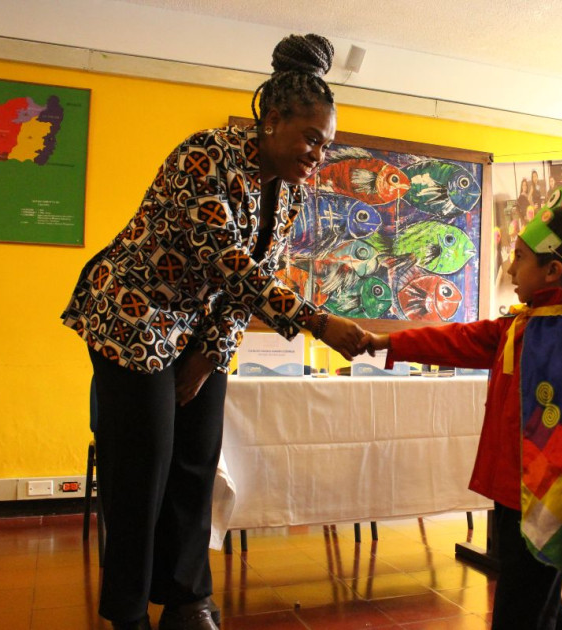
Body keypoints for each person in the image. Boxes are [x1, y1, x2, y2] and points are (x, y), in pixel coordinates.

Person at [61, 33, 367, 630]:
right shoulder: (205, 156)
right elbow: (225, 258)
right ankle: (125, 612)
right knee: (141, 466)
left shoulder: (292, 191)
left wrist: (211, 356)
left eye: (326, 145)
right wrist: (315, 321)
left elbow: (249, 279)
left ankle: (185, 596)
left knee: (197, 460)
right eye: (310, 138)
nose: (317, 155)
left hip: (197, 329)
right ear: (272, 119)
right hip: (134, 314)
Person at [363, 193, 562, 629]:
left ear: (553, 270)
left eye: (519, 258)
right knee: (537, 599)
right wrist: (391, 342)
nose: (511, 269)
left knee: (522, 605)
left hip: (542, 498)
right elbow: (459, 339)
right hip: (515, 492)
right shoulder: (525, 324)